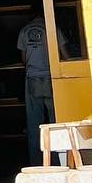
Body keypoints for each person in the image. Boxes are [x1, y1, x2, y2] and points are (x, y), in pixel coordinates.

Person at [17, 11, 54, 158]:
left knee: (34, 122)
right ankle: (58, 159)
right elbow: (63, 53)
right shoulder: (51, 28)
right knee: (55, 122)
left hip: (32, 77)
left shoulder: (25, 30)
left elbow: (24, 58)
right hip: (50, 77)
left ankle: (37, 160)